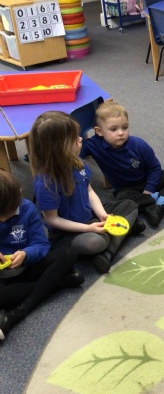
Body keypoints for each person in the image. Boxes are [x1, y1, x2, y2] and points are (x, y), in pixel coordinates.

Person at [29, 111, 145, 274]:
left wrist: (102, 214)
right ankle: (111, 245)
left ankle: (107, 249)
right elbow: (53, 220)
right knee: (94, 243)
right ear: (60, 148)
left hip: (90, 216)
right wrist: (88, 228)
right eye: (75, 138)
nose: (81, 139)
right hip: (68, 233)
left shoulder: (77, 162)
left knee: (130, 205)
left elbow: (89, 191)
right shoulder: (46, 183)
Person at [80, 100, 164, 228]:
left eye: (125, 127)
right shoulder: (93, 145)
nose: (121, 133)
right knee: (122, 199)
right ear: (99, 131)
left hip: (148, 182)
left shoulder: (138, 144)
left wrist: (148, 191)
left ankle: (157, 206)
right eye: (113, 129)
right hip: (126, 190)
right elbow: (73, 151)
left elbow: (154, 168)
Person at [0, 170, 81, 340]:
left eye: (10, 214)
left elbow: (41, 244)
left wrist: (26, 254)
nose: (4, 220)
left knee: (68, 253)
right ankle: (59, 282)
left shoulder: (27, 208)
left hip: (28, 267)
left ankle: (19, 311)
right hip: (4, 278)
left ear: (19, 195)